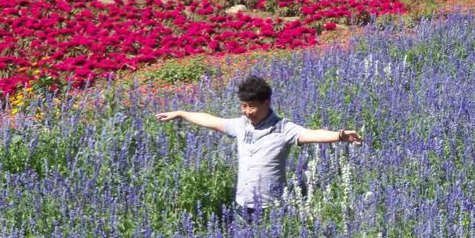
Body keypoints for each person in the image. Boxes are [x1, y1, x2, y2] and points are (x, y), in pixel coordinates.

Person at [154, 75, 363, 222]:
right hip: (242, 205)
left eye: (252, 106)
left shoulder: (283, 128)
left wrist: (340, 135)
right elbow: (210, 120)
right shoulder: (241, 125)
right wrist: (181, 113)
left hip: (271, 208)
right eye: (244, 106)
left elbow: (311, 134)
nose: (247, 111)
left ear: (266, 103)